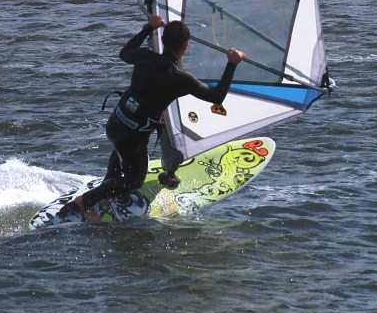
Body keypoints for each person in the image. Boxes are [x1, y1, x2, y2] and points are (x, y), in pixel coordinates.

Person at [60, 14, 245, 223]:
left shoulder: (145, 56)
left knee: (121, 152)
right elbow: (216, 96)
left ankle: (108, 186)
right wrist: (232, 64)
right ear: (185, 46)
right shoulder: (180, 78)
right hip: (133, 136)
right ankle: (82, 203)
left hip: (116, 122)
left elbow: (124, 53)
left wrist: (148, 28)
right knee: (134, 181)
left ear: (163, 40)